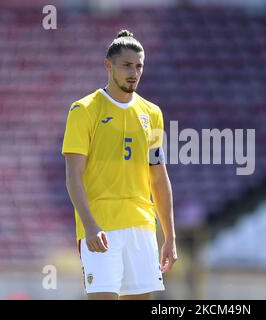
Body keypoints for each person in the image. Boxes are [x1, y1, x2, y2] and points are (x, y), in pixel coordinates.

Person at [61, 29, 177, 300]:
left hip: (141, 228)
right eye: (126, 65)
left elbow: (159, 178)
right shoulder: (84, 110)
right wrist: (89, 226)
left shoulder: (152, 113)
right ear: (108, 65)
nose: (133, 72)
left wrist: (169, 237)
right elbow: (73, 177)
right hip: (101, 229)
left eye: (138, 66)